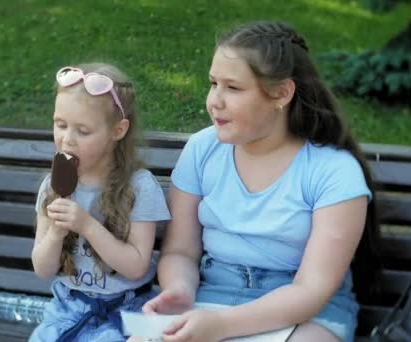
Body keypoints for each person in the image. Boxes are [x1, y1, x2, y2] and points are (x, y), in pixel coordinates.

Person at [141, 21, 381, 342]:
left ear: (281, 93)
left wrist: (221, 326)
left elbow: (311, 290)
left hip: (305, 314)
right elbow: (181, 251)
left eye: (233, 87)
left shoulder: (333, 171)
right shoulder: (202, 150)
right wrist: (180, 289)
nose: (215, 100)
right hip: (211, 298)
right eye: (213, 83)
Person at [30, 63, 171, 342]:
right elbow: (43, 269)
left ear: (118, 130)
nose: (67, 139)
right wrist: (56, 234)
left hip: (127, 310)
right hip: (68, 308)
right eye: (60, 125)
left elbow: (136, 267)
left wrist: (87, 225)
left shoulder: (138, 187)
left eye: (83, 131)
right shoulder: (52, 186)